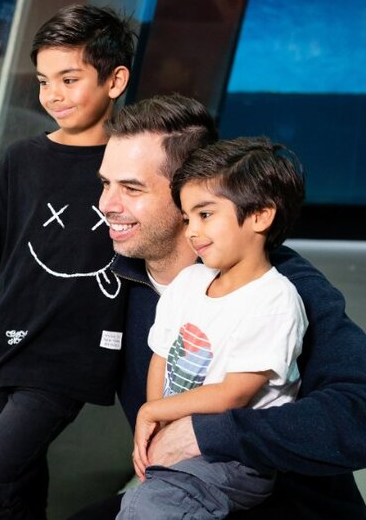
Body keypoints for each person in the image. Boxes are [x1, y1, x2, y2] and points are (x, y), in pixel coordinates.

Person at [0, 94, 366, 518]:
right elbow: (53, 325)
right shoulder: (114, 275)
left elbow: (360, 410)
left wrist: (212, 432)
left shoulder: (279, 288)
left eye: (132, 189)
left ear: (187, 194)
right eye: (105, 183)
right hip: (178, 486)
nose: (107, 205)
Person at [0, 4, 135, 519]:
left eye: (69, 79)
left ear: (115, 80)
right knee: (18, 486)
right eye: (45, 80)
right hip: (6, 343)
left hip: (70, 358)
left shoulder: (131, 164)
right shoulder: (22, 159)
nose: (53, 94)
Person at [117, 137, 308, 519]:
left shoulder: (275, 301)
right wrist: (160, 421)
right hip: (178, 439)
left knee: (147, 507)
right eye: (187, 218)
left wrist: (152, 412)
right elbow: (161, 358)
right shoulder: (188, 282)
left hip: (235, 458)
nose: (191, 230)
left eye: (205, 215)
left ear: (260, 216)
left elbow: (233, 394)